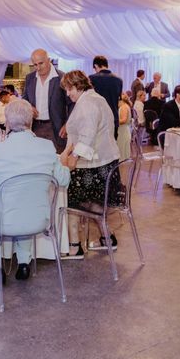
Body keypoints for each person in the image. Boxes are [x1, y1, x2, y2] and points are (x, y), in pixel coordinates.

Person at [0, 99, 70, 285]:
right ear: (31, 122)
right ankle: (24, 262)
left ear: (8, 123)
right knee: (24, 206)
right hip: (40, 220)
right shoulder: (47, 147)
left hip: (7, 222)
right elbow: (64, 180)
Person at [59, 70, 121, 258]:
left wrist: (72, 159)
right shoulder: (96, 99)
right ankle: (107, 238)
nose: (67, 93)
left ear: (78, 86)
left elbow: (86, 136)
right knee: (94, 203)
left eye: (69, 89)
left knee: (70, 200)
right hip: (105, 164)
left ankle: (74, 246)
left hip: (95, 167)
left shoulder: (86, 104)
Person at [22, 49, 68, 153]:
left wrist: (67, 124)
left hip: (56, 128)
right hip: (35, 127)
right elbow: (24, 99)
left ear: (49, 60)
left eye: (41, 63)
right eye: (35, 65)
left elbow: (71, 103)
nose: (38, 68)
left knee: (56, 159)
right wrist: (28, 106)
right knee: (36, 158)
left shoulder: (62, 77)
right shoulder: (29, 78)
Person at [89, 55, 123, 139]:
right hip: (113, 119)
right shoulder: (119, 80)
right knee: (112, 149)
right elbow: (118, 100)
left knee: (95, 150)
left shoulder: (91, 78)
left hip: (96, 120)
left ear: (96, 65)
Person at [117, 92, 132, 161]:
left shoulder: (124, 107)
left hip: (123, 130)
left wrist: (114, 121)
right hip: (123, 130)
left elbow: (123, 120)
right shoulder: (124, 106)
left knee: (122, 148)